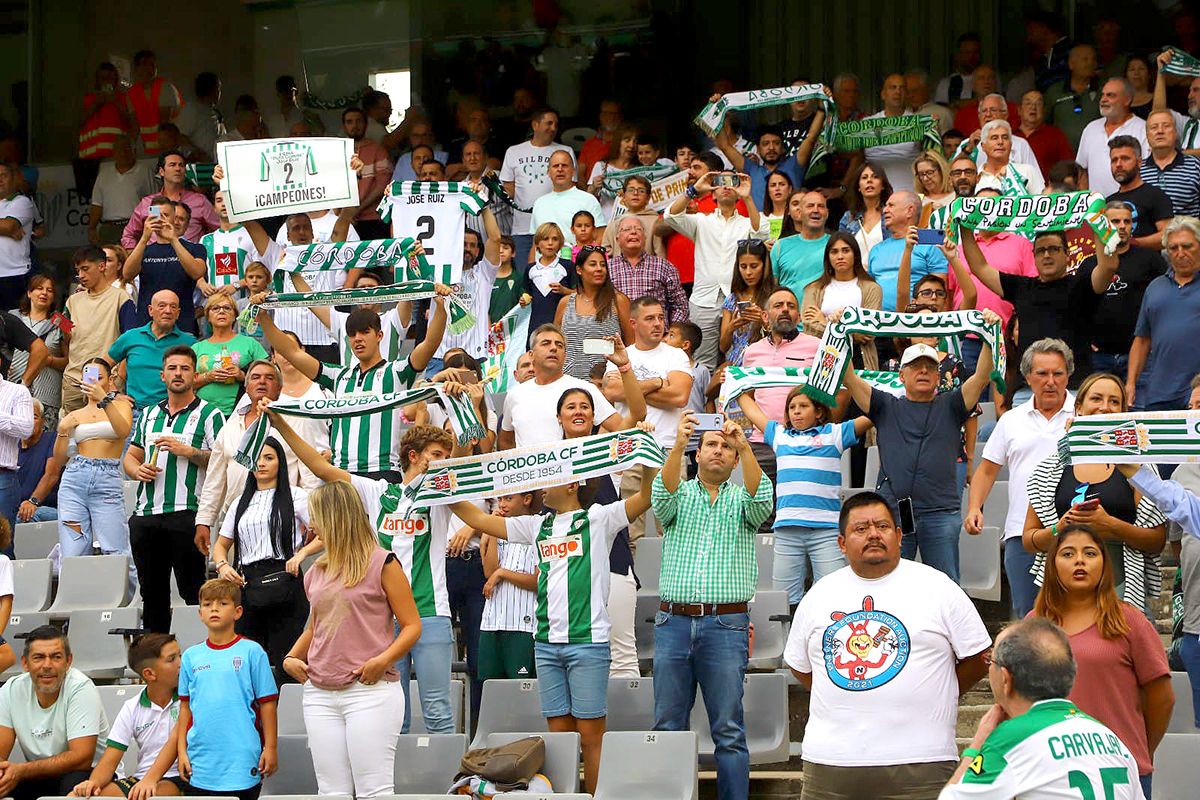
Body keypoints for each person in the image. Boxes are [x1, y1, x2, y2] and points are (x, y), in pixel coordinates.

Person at [784, 491, 991, 800]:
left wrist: (939, 690)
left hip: (922, 764)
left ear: (897, 534)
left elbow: (979, 658)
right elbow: (801, 667)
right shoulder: (819, 595)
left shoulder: (938, 587)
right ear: (841, 543)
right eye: (860, 529)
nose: (873, 535)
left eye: (881, 526)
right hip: (831, 765)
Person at [269, 415, 467, 737]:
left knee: (438, 709)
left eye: (446, 457)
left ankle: (444, 786)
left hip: (431, 612)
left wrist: (467, 409)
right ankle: (396, 785)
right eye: (436, 455)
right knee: (393, 712)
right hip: (383, 618)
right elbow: (322, 470)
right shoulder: (378, 492)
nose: (442, 463)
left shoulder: (440, 496)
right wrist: (281, 425)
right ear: (413, 456)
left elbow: (467, 467)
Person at [651, 412, 772, 800]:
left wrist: (744, 444)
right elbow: (661, 497)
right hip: (674, 622)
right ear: (697, 455)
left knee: (729, 730)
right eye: (710, 445)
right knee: (668, 724)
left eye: (725, 447)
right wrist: (677, 442)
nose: (718, 451)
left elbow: (762, 499)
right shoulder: (679, 492)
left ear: (735, 459)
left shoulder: (743, 498)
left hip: (726, 624)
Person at [281, 480, 421, 797]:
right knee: (331, 791)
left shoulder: (384, 563)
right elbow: (317, 626)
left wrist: (383, 661)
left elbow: (412, 625)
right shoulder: (315, 570)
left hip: (370, 690)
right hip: (319, 692)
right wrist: (291, 657)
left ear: (335, 518)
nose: (311, 525)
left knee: (375, 790)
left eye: (315, 517)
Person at [843, 311, 999, 582]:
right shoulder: (884, 405)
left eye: (929, 367)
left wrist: (988, 333)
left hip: (940, 511)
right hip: (894, 512)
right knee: (892, 583)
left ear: (939, 376)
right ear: (902, 375)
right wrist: (838, 331)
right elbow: (849, 378)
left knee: (944, 586)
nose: (924, 371)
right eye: (916, 366)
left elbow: (983, 376)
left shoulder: (952, 404)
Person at [1031, 524, 1173, 797]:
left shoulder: (1129, 620)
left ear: (1105, 564)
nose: (1080, 561)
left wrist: (1137, 748)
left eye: (1090, 553)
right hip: (1053, 773)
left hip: (1119, 771)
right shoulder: (1033, 626)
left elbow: (1162, 698)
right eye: (1068, 554)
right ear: (1052, 564)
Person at [939, 617, 1145, 799]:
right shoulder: (1111, 739)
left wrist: (976, 746)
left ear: (1005, 678)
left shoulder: (1011, 739)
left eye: (990, 660)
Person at [254, 292, 447, 478]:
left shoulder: (395, 372)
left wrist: (440, 305)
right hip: (341, 471)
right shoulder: (338, 376)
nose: (358, 339)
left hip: (382, 471)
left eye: (364, 332)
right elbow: (292, 353)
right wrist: (263, 317)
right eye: (352, 334)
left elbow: (430, 344)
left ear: (379, 335)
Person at [1022, 373, 1167, 613]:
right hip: (1063, 591)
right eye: (1096, 398)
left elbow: (1157, 541)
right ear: (1078, 408)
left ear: (1123, 410)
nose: (1105, 407)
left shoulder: (1140, 468)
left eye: (1113, 401)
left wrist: (1109, 525)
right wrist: (1061, 527)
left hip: (1122, 591)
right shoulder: (1049, 469)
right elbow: (1029, 540)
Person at [966, 339, 1075, 618]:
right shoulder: (1011, 420)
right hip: (1021, 535)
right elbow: (987, 470)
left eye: (1058, 373)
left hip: (1075, 531)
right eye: (1042, 374)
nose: (1050, 382)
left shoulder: (1084, 416)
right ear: (1027, 377)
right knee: (1030, 618)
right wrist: (975, 508)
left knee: (1076, 619)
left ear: (1068, 375)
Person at [738, 385, 871, 607]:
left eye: (803, 406)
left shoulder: (835, 434)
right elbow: (751, 411)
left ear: (819, 411)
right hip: (787, 532)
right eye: (791, 407)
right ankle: (789, 642)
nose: (796, 411)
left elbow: (875, 412)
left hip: (826, 532)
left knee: (831, 599)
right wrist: (736, 384)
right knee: (784, 601)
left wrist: (880, 387)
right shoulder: (779, 435)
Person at [124, 346, 224, 633]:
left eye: (184, 368)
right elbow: (131, 456)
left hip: (186, 513)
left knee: (193, 591)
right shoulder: (148, 414)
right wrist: (136, 469)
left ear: (194, 374)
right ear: (162, 374)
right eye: (172, 368)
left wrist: (189, 451)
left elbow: (220, 460)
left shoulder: (210, 414)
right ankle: (157, 660)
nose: (178, 373)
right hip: (145, 514)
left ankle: (204, 650)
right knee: (152, 594)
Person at [961, 223, 1117, 396]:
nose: (1047, 255)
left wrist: (1098, 223)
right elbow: (980, 267)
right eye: (1041, 250)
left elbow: (1108, 266)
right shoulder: (1021, 287)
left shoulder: (1083, 285)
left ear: (1067, 254)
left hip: (1074, 388)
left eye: (1054, 249)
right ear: (1034, 257)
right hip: (1028, 390)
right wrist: (965, 226)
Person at [194, 358, 322, 554]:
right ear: (246, 387)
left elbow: (310, 472)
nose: (262, 382)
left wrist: (312, 518)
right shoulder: (229, 427)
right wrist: (204, 520)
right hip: (238, 520)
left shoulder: (295, 421)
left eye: (269, 378)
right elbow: (214, 479)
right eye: (255, 377)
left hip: (282, 519)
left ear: (279, 388)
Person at [211, 436, 311, 680]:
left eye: (269, 457)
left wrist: (302, 554)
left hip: (285, 576)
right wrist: (223, 566)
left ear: (280, 462)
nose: (262, 464)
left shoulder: (297, 496)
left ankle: (286, 714)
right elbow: (220, 545)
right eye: (257, 458)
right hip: (248, 582)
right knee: (247, 662)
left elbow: (327, 534)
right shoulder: (239, 502)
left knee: (284, 658)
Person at [177, 579, 278, 800]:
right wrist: (181, 751)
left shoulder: (253, 652)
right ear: (200, 613)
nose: (214, 608)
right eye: (207, 604)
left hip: (241, 757)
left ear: (238, 612)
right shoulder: (190, 657)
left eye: (222, 603)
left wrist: (270, 748)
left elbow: (267, 704)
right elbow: (185, 708)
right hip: (200, 760)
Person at [601, 296, 692, 542]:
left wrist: (633, 390)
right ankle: (634, 581)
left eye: (661, 318)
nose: (658, 324)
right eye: (649, 318)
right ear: (633, 323)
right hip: (630, 450)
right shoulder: (621, 354)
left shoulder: (676, 356)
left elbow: (680, 396)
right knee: (630, 532)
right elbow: (612, 391)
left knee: (674, 531)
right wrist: (656, 383)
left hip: (668, 450)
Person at [664, 170, 768, 368]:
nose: (727, 186)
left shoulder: (747, 222)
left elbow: (761, 233)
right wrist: (694, 189)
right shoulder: (702, 221)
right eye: (721, 182)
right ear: (712, 192)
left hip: (738, 298)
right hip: (704, 299)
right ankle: (704, 399)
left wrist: (747, 197)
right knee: (702, 361)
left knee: (738, 357)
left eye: (732, 182)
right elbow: (671, 216)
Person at [68, 633, 185, 799]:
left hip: (177, 776)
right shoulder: (132, 707)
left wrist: (150, 780)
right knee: (93, 796)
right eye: (172, 659)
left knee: (155, 795)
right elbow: (110, 759)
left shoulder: (187, 701)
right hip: (142, 779)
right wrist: (92, 783)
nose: (182, 663)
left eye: (180, 655)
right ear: (150, 674)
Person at [0, 627, 107, 800]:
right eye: (39, 657)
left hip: (90, 775)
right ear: (25, 663)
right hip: (38, 774)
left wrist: (21, 770)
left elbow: (82, 758)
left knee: (73, 784)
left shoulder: (81, 687)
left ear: (68, 661)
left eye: (56, 657)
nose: (47, 665)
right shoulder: (11, 689)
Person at [54, 358, 133, 564]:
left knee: (116, 548)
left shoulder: (121, 405)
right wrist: (63, 430)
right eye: (90, 378)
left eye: (100, 378)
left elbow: (123, 430)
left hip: (107, 477)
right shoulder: (75, 414)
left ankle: (126, 595)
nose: (94, 383)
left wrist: (104, 399)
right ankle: (75, 595)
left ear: (110, 379)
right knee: (72, 550)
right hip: (75, 477)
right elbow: (60, 458)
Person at [1088, 203, 1168, 382]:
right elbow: (1078, 306)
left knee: (1139, 409)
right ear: (1104, 225)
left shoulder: (1150, 259)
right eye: (1115, 221)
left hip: (1141, 354)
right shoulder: (1089, 264)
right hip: (1099, 356)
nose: (1123, 226)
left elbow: (1167, 298)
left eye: (1127, 221)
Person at [1128, 216, 1200, 410]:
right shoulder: (1155, 287)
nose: (1180, 253)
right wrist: (1130, 383)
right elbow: (1142, 339)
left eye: (1187, 246)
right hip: (1159, 393)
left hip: (1197, 395)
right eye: (1173, 248)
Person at [62, 247, 135, 415]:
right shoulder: (72, 300)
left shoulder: (121, 297)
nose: (80, 275)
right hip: (74, 379)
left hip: (106, 380)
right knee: (70, 436)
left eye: (85, 269)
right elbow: (65, 342)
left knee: (104, 435)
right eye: (78, 270)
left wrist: (119, 379)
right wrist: (64, 332)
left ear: (102, 266)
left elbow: (130, 342)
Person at [477, 493, 539, 682]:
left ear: (526, 499)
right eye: (500, 499)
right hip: (492, 622)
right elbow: (489, 571)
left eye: (508, 499)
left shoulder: (538, 527)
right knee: (492, 688)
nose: (502, 504)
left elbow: (538, 581)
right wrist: (493, 532)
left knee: (521, 690)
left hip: (524, 624)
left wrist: (503, 574)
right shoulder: (498, 529)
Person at [800, 233, 884, 371]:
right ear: (828, 257)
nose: (840, 256)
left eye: (845, 250)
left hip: (860, 360)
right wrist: (852, 332)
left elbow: (867, 333)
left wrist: (823, 322)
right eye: (834, 252)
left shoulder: (872, 288)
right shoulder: (814, 289)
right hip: (821, 358)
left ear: (855, 255)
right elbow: (809, 326)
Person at [122, 200, 205, 335]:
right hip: (147, 325)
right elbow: (127, 274)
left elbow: (197, 272)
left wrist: (173, 239)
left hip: (182, 325)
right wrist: (144, 237)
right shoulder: (144, 249)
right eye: (157, 215)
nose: (161, 219)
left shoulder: (195, 248)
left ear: (174, 218)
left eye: (166, 215)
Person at [501, 107, 574, 260]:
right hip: (522, 229)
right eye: (549, 123)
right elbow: (508, 189)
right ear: (535, 125)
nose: (553, 128)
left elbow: (571, 188)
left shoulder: (565, 151)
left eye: (556, 124)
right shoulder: (514, 152)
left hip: (556, 229)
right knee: (525, 276)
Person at [108, 290, 198, 412]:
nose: (167, 310)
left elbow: (198, 376)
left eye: (173, 306)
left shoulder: (190, 342)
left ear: (178, 313)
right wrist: (113, 394)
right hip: (135, 412)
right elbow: (98, 366)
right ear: (150, 310)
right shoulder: (131, 337)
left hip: (174, 412)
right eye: (162, 306)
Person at [555, 247, 632, 380]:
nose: (599, 269)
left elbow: (632, 344)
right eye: (592, 264)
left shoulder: (618, 300)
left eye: (603, 265)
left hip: (607, 383)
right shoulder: (565, 303)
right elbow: (555, 343)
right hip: (570, 384)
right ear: (579, 270)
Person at [868, 191, 949, 314]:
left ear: (910, 210)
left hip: (918, 322)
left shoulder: (931, 245)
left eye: (891, 205)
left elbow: (939, 291)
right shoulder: (876, 250)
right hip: (880, 324)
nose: (885, 210)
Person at [120, 151, 218, 248]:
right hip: (155, 260)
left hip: (189, 259)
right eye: (172, 165)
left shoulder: (199, 201)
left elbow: (220, 229)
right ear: (161, 171)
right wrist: (136, 258)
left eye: (181, 165)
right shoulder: (148, 203)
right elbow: (128, 235)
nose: (178, 168)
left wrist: (207, 254)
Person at [191, 298, 268, 416]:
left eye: (227, 308)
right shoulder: (197, 348)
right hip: (202, 414)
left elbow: (269, 378)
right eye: (215, 308)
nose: (221, 311)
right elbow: (185, 384)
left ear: (235, 316)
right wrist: (208, 377)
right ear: (208, 317)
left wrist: (242, 376)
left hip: (242, 412)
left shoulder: (250, 344)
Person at [606, 216, 688, 324]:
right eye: (627, 229)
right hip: (618, 335)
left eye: (638, 229)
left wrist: (669, 335)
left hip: (656, 336)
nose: (633, 232)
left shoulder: (663, 266)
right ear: (617, 239)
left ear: (645, 237)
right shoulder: (607, 268)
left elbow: (681, 306)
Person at [1077, 78, 1150, 198]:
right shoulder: (1091, 128)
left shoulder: (1143, 128)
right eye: (1103, 95)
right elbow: (1082, 171)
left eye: (1110, 95)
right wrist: (1087, 201)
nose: (1103, 100)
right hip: (1096, 209)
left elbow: (1147, 171)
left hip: (1131, 207)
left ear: (1127, 100)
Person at [10, 274, 65, 430]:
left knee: (44, 444)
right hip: (14, 389)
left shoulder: (61, 323)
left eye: (49, 290)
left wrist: (48, 360)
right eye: (39, 288)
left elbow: (70, 361)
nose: (44, 293)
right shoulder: (12, 318)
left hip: (47, 395)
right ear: (29, 293)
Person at [532, 150, 606, 257]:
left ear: (573, 171)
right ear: (548, 172)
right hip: (544, 270)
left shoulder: (588, 200)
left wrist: (584, 262)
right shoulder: (539, 203)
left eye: (565, 166)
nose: (560, 169)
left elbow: (601, 236)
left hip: (576, 268)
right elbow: (535, 245)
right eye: (556, 166)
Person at [86, 135, 154, 247]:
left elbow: (154, 202)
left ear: (134, 151)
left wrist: (155, 226)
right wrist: (91, 228)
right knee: (110, 262)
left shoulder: (145, 171)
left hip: (136, 227)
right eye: (119, 149)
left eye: (126, 148)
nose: (123, 152)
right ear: (113, 152)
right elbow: (97, 205)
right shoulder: (104, 174)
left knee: (136, 263)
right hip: (109, 229)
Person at [1107, 136, 1173, 251]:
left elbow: (1167, 236)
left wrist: (1131, 243)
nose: (1118, 164)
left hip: (1148, 266)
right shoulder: (1107, 202)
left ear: (1139, 162)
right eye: (1114, 160)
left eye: (1125, 158)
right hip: (1113, 266)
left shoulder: (1156, 195)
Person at [719, 240, 776, 367]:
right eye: (743, 267)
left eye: (754, 266)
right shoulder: (732, 299)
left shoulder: (775, 297)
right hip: (736, 363)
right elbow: (723, 347)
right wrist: (731, 328)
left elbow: (784, 337)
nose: (748, 272)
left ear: (764, 265)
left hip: (765, 361)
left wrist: (763, 321)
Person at [340, 108, 393, 240]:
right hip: (343, 220)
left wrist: (356, 210)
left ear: (366, 124)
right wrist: (344, 214)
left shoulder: (378, 150)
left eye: (359, 121)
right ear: (344, 126)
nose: (355, 126)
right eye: (349, 122)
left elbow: (382, 187)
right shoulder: (337, 150)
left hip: (373, 218)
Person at [1142, 109, 1200, 219]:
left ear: (1175, 132)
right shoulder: (1138, 170)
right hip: (1149, 235)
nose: (1160, 131)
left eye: (1166, 126)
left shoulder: (1195, 166)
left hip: (1187, 234)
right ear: (1147, 135)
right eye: (1154, 127)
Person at [774, 190, 831, 297]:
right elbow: (771, 288)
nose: (815, 210)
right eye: (810, 206)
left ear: (827, 213)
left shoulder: (836, 245)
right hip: (789, 312)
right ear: (800, 212)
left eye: (821, 206)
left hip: (828, 313)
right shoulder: (780, 246)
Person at [0, 162, 38, 310]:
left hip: (14, 275)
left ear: (14, 178)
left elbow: (10, 226)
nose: (0, 179)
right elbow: (6, 227)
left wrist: (8, 227)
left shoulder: (22, 201)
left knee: (13, 327)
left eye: (4, 175)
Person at [838, 161, 892, 263]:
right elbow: (841, 251)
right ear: (858, 187)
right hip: (856, 275)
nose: (869, 180)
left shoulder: (892, 214)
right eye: (864, 177)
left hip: (885, 274)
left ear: (883, 185)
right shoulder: (848, 217)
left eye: (875, 177)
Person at [975, 119, 1046, 194]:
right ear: (983, 146)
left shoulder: (1027, 172)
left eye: (1005, 137)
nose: (1000, 142)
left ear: (1011, 144)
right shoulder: (975, 178)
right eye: (994, 138)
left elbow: (1044, 203)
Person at [1015, 89, 1075, 177]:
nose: (1033, 107)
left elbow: (1069, 166)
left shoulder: (1055, 135)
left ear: (1044, 110)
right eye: (1028, 103)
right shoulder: (1010, 135)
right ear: (1019, 110)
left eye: (1038, 104)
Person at [17, 400, 59, 523]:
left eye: (34, 417)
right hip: (15, 508)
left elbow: (52, 475)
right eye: (23, 417)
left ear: (43, 421)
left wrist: (33, 501)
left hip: (44, 507)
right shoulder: (11, 445)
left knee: (27, 516)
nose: (28, 421)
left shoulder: (52, 439)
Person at [913, 151, 955, 225]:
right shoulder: (918, 200)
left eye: (929, 173)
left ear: (941, 170)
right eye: (921, 174)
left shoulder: (956, 196)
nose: (925, 178)